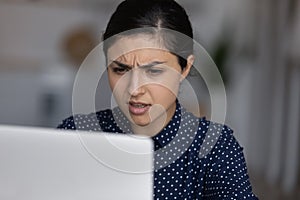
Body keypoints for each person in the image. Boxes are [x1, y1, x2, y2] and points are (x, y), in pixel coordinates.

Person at [58, 0, 258, 199]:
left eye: (153, 71)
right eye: (120, 69)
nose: (134, 89)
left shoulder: (215, 150)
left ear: (185, 68)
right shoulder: (73, 136)